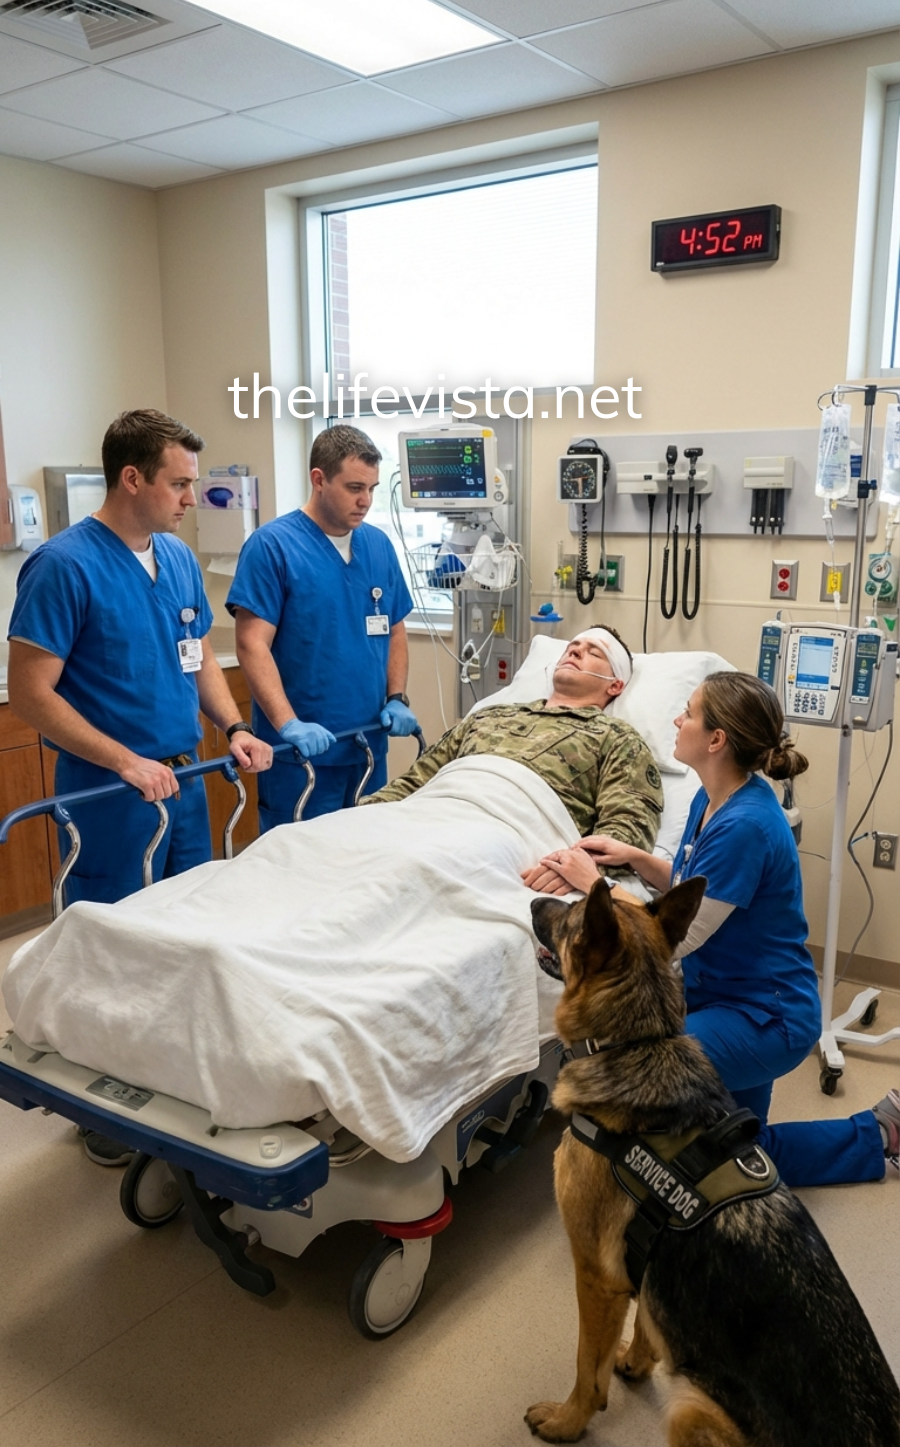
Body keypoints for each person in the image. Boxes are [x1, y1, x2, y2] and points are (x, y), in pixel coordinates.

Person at [6, 408, 273, 1163]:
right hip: (108, 794)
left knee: (187, 934)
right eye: (179, 484)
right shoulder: (63, 566)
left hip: (181, 781)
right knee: (113, 950)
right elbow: (31, 694)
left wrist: (234, 727)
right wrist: (123, 760)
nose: (192, 498)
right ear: (132, 478)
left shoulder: (177, 559)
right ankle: (101, 1105)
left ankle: (176, 1081)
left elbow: (199, 658)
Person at [525, 670, 899, 1186]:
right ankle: (883, 1134)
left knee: (645, 1072)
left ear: (716, 740)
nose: (677, 721)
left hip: (766, 1017)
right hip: (722, 998)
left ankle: (876, 1135)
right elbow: (689, 887)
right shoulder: (714, 798)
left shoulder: (745, 825)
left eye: (689, 714)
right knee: (737, 1151)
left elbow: (675, 939)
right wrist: (635, 857)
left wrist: (595, 885)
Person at [227, 425, 419, 829]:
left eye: (372, 488)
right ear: (319, 479)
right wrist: (287, 723)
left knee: (367, 854)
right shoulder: (272, 547)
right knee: (300, 862)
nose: (365, 501)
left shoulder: (378, 546)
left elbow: (395, 629)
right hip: (300, 757)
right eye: (354, 488)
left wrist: (397, 696)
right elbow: (251, 644)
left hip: (367, 747)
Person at [363, 626, 665, 852]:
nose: (574, 652)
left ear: (615, 685)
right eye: (572, 647)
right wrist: (366, 813)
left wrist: (583, 865)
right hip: (432, 813)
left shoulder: (617, 738)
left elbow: (628, 825)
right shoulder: (489, 716)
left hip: (508, 835)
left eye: (594, 652)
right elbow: (416, 779)